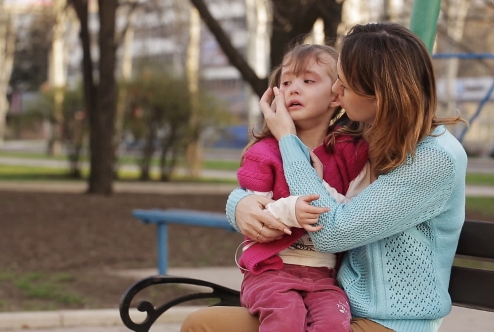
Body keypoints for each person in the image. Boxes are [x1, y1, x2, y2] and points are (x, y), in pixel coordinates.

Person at [181, 22, 467, 332]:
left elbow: (330, 232)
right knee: (202, 325)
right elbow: (275, 181)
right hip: (331, 303)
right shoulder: (370, 135)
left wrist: (288, 139)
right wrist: (239, 203)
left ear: (379, 94)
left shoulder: (434, 159)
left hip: (387, 322)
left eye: (344, 84)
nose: (335, 90)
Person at [236, 44, 369, 332]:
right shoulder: (264, 153)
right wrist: (290, 211)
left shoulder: (351, 153)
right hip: (270, 271)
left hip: (325, 278)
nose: (293, 89)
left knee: (334, 324)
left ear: (337, 95)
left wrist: (315, 182)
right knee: (286, 319)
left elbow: (355, 213)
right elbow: (255, 217)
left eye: (308, 81)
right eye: (286, 82)